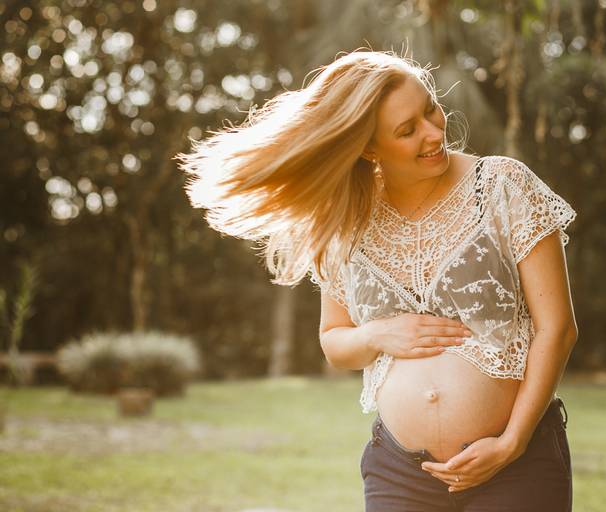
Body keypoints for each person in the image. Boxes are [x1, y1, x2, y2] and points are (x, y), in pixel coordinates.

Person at [176, 49, 578, 511]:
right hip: (400, 474)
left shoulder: (502, 185)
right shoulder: (346, 219)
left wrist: (512, 442)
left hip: (515, 466)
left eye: (431, 109)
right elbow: (334, 342)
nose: (432, 133)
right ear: (368, 147)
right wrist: (378, 333)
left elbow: (558, 328)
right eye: (406, 130)